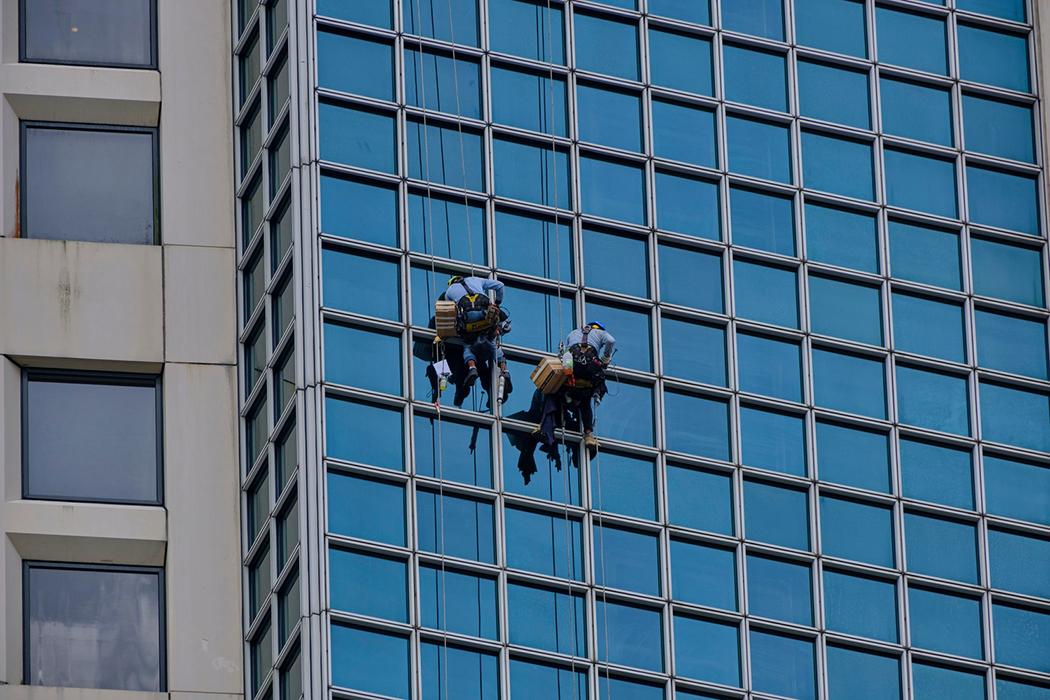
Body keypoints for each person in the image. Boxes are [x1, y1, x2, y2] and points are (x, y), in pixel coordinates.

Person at [442, 275, 512, 392]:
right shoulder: (476, 280)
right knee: (492, 344)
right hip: (485, 316)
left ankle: (472, 367)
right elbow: (500, 285)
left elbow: (449, 313)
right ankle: (504, 371)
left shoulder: (449, 291)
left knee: (467, 345)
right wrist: (497, 302)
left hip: (469, 321)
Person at [562, 322, 615, 455]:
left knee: (566, 373)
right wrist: (606, 357)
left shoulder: (573, 333)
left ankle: (568, 392)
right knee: (598, 380)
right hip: (590, 362)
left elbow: (565, 352)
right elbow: (611, 340)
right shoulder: (600, 333)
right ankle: (597, 394)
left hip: (571, 360)